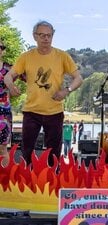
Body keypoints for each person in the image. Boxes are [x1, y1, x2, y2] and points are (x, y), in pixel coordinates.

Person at [4, 20, 83, 166]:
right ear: (35, 36)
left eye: (49, 35)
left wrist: (67, 90)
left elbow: (78, 78)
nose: (46, 38)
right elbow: (9, 75)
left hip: (54, 112)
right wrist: (10, 85)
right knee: (26, 150)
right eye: (42, 35)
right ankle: (26, 181)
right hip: (31, 111)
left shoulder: (62, 56)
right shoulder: (25, 57)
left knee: (54, 153)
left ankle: (52, 183)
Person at [0, 40, 13, 167]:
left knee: (3, 148)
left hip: (3, 114)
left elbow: (30, 79)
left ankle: (3, 181)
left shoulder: (8, 69)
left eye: (1, 47)